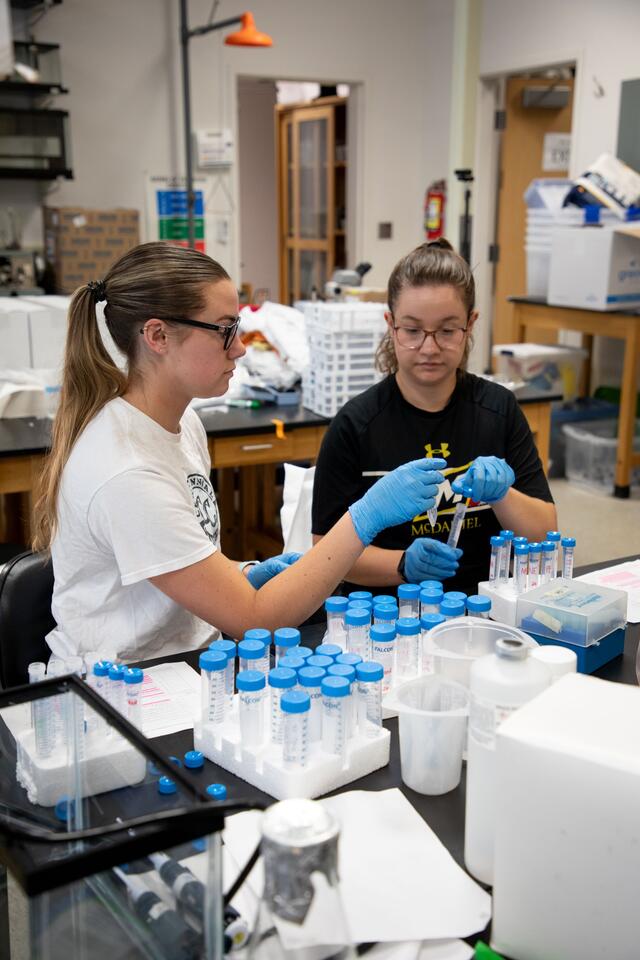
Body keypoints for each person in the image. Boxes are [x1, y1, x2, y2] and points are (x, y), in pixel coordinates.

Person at [33, 242, 444, 662]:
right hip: (117, 687)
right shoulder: (126, 471)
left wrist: (242, 572)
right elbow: (255, 619)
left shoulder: (181, 423)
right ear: (157, 335)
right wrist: (366, 516)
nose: (240, 347)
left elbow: (184, 563)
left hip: (187, 662)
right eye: (224, 329)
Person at [311, 239, 557, 596]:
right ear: (390, 325)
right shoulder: (355, 425)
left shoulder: (499, 411)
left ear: (470, 325)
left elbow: (544, 533)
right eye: (412, 331)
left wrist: (504, 495)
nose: (429, 348)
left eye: (446, 330)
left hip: (485, 605)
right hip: (389, 616)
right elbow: (324, 552)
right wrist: (401, 565)